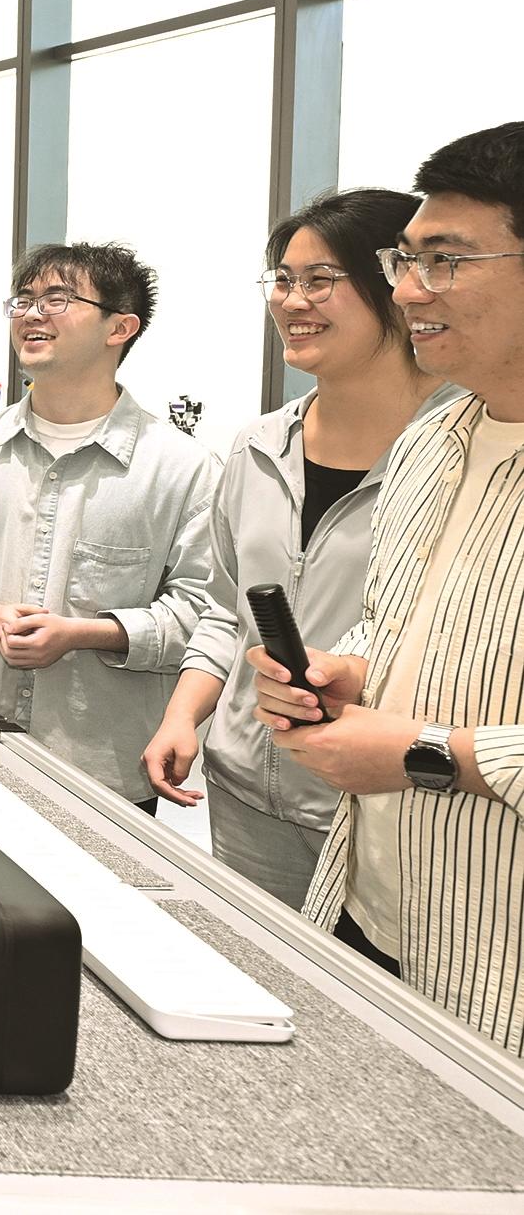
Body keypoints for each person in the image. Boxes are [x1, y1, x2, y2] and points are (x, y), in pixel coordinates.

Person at [253, 123, 524, 1056]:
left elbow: (425, 746)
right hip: (368, 914)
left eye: (444, 261)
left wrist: (425, 754)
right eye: (405, 261)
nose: (408, 290)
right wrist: (352, 670)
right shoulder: (433, 444)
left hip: (498, 978)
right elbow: (403, 620)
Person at [141, 193, 455, 907]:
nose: (292, 301)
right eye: (283, 280)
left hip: (387, 801)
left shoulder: (460, 453)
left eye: (320, 280)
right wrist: (183, 714)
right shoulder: (258, 447)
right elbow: (226, 611)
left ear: (395, 284)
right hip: (246, 793)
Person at [0, 242, 220, 809]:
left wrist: (87, 633)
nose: (32, 314)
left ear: (120, 327)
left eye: (57, 300)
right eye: (23, 300)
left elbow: (207, 610)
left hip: (101, 764)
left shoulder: (182, 468)